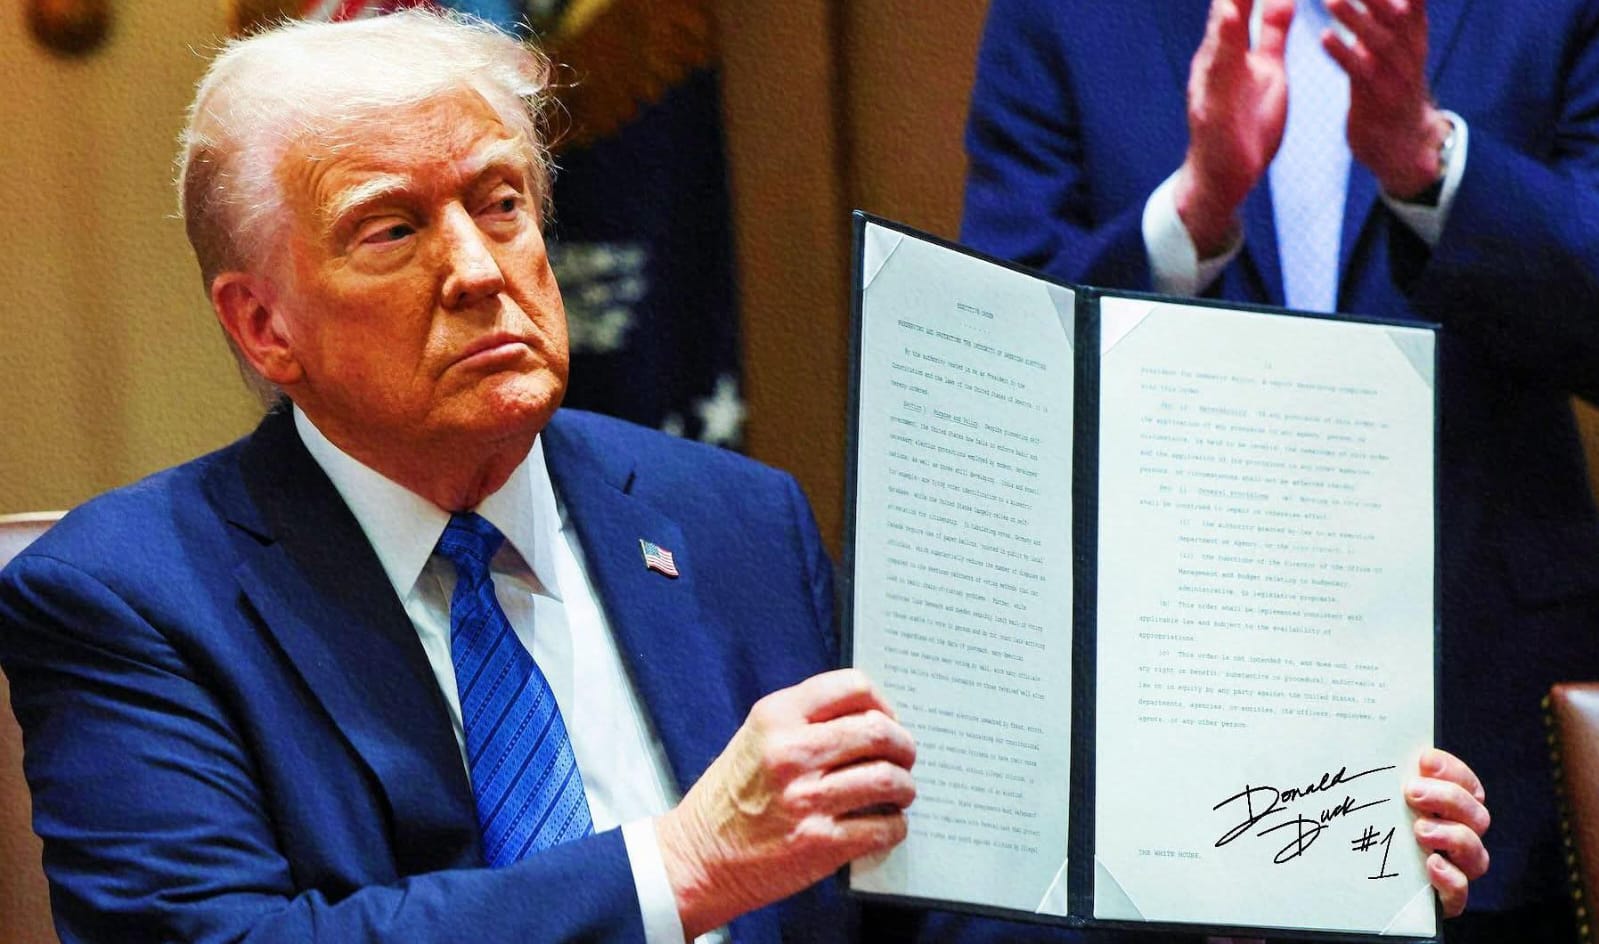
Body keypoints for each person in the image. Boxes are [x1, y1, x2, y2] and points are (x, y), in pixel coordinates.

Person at [0, 9, 1485, 944]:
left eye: (503, 204)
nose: (480, 269)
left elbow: (929, 906)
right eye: (393, 229)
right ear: (261, 324)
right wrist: (685, 864)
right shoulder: (130, 597)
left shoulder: (729, 519)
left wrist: (1262, 873)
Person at [962, 0, 1599, 939]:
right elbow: (997, 368)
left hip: (1482, 716)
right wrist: (1192, 212)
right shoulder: (1058, 14)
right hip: (1160, 734)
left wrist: (1427, 164)